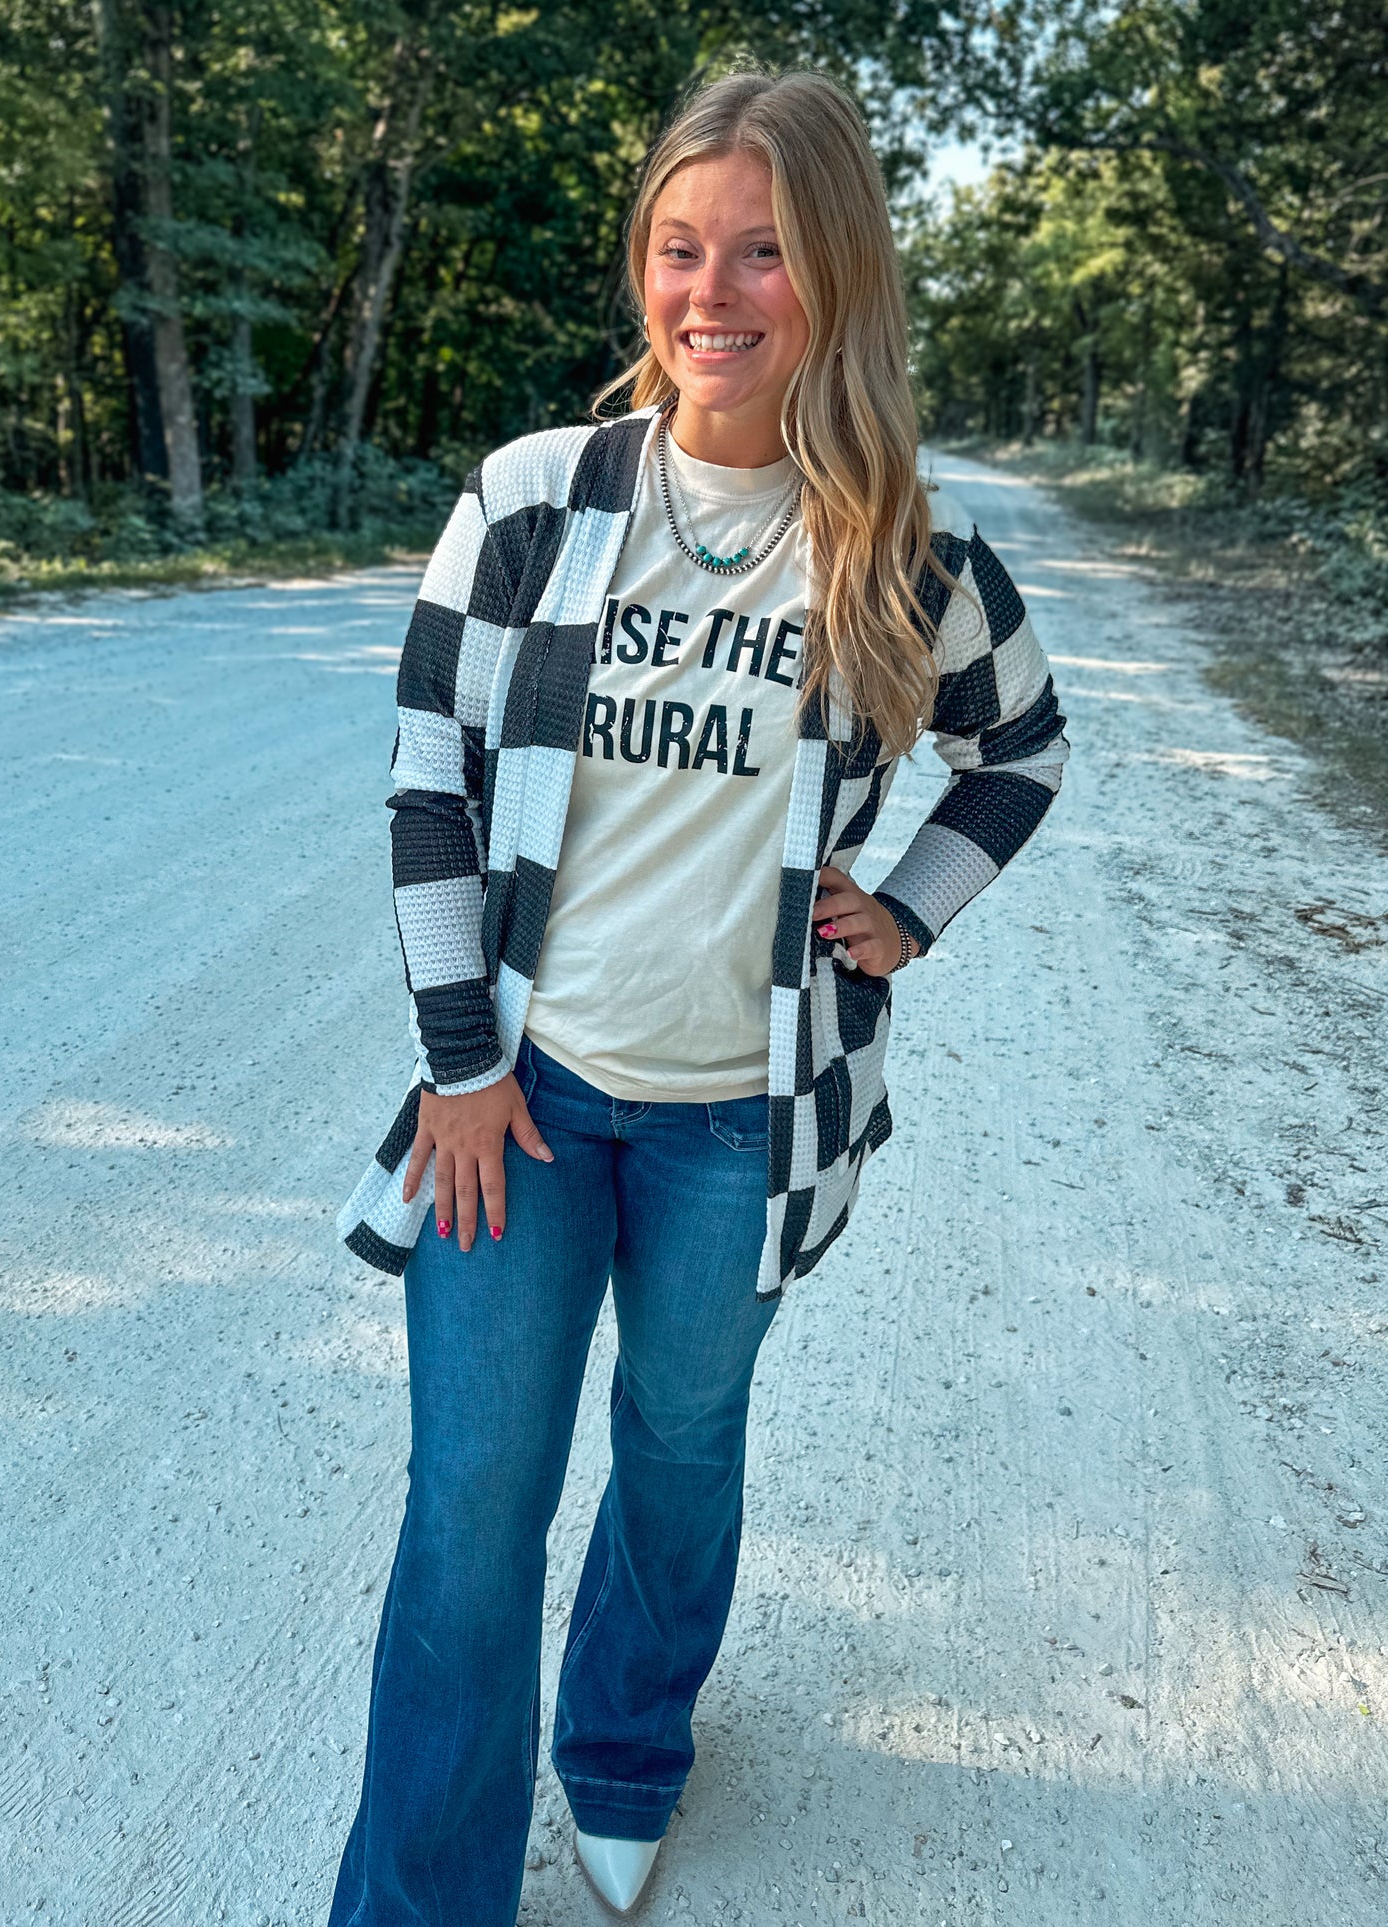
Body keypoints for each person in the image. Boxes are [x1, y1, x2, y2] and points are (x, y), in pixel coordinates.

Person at [328, 65, 1068, 1927]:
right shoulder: (532, 504)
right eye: (679, 247)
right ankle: (420, 1899)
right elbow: (428, 780)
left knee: (675, 1449)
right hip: (524, 1099)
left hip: (748, 1114)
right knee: (470, 1519)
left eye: (762, 253)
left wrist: (902, 911)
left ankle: (628, 1750)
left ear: (837, 281)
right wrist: (461, 1069)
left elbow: (1024, 752)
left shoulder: (901, 554)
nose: (711, 292)